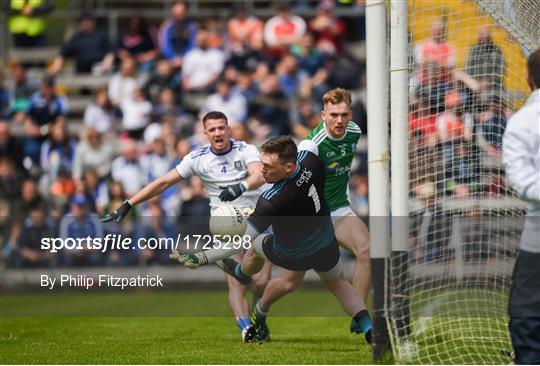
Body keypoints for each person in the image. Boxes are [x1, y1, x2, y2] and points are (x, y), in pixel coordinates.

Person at [173, 136, 373, 344]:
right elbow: (309, 144)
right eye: (261, 163)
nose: (262, 171)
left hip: (292, 255)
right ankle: (369, 328)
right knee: (340, 285)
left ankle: (240, 272)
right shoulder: (310, 161)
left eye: (268, 166)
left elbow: (237, 244)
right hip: (325, 245)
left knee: (254, 245)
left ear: (288, 167)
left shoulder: (272, 200)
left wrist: (200, 258)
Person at [101, 111, 271, 343]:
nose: (218, 132)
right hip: (224, 221)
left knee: (260, 282)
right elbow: (162, 182)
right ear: (205, 134)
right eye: (212, 129)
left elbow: (258, 175)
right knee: (237, 281)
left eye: (221, 128)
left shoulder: (246, 150)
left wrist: (240, 187)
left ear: (228, 129)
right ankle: (246, 329)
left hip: (256, 217)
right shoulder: (197, 158)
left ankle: (259, 316)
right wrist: (129, 203)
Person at [502, 48, 540, 365]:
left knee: (527, 323)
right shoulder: (524, 120)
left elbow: (522, 181)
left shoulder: (521, 121)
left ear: (527, 80)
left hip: (536, 244)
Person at [48, 13, 114, 75]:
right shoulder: (76, 38)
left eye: (87, 20)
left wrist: (106, 64)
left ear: (92, 21)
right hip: (81, 70)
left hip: (99, 69)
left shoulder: (101, 35)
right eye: (82, 21)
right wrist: (56, 66)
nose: (84, 23)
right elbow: (63, 53)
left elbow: (111, 51)